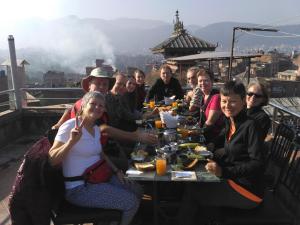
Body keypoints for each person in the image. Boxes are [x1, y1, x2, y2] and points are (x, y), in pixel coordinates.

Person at [49, 91, 142, 225]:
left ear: (104, 110)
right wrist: (71, 142)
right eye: (93, 104)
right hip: (80, 188)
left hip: (99, 177)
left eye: (101, 106)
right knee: (131, 202)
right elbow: (52, 160)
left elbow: (100, 153)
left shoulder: (95, 129)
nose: (97, 107)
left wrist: (116, 171)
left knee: (137, 190)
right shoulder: (70, 126)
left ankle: (108, 220)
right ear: (83, 106)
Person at [179, 81, 265, 225]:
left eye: (233, 101)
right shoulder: (231, 120)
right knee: (191, 184)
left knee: (194, 192)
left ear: (243, 101)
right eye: (224, 101)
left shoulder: (251, 126)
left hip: (247, 190)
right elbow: (224, 137)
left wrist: (222, 171)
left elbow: (258, 164)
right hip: (233, 180)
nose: (227, 106)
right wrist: (211, 144)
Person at [52, 67, 157, 145]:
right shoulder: (91, 104)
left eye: (105, 84)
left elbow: (70, 109)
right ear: (89, 86)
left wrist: (144, 118)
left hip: (102, 145)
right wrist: (135, 136)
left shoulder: (106, 99)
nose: (101, 87)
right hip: (96, 150)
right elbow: (103, 128)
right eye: (98, 83)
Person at [196, 68, 223, 142]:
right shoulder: (203, 96)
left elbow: (210, 122)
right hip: (206, 134)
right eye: (200, 81)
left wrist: (195, 132)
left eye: (206, 80)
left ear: (212, 82)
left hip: (214, 139)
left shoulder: (216, 97)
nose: (202, 83)